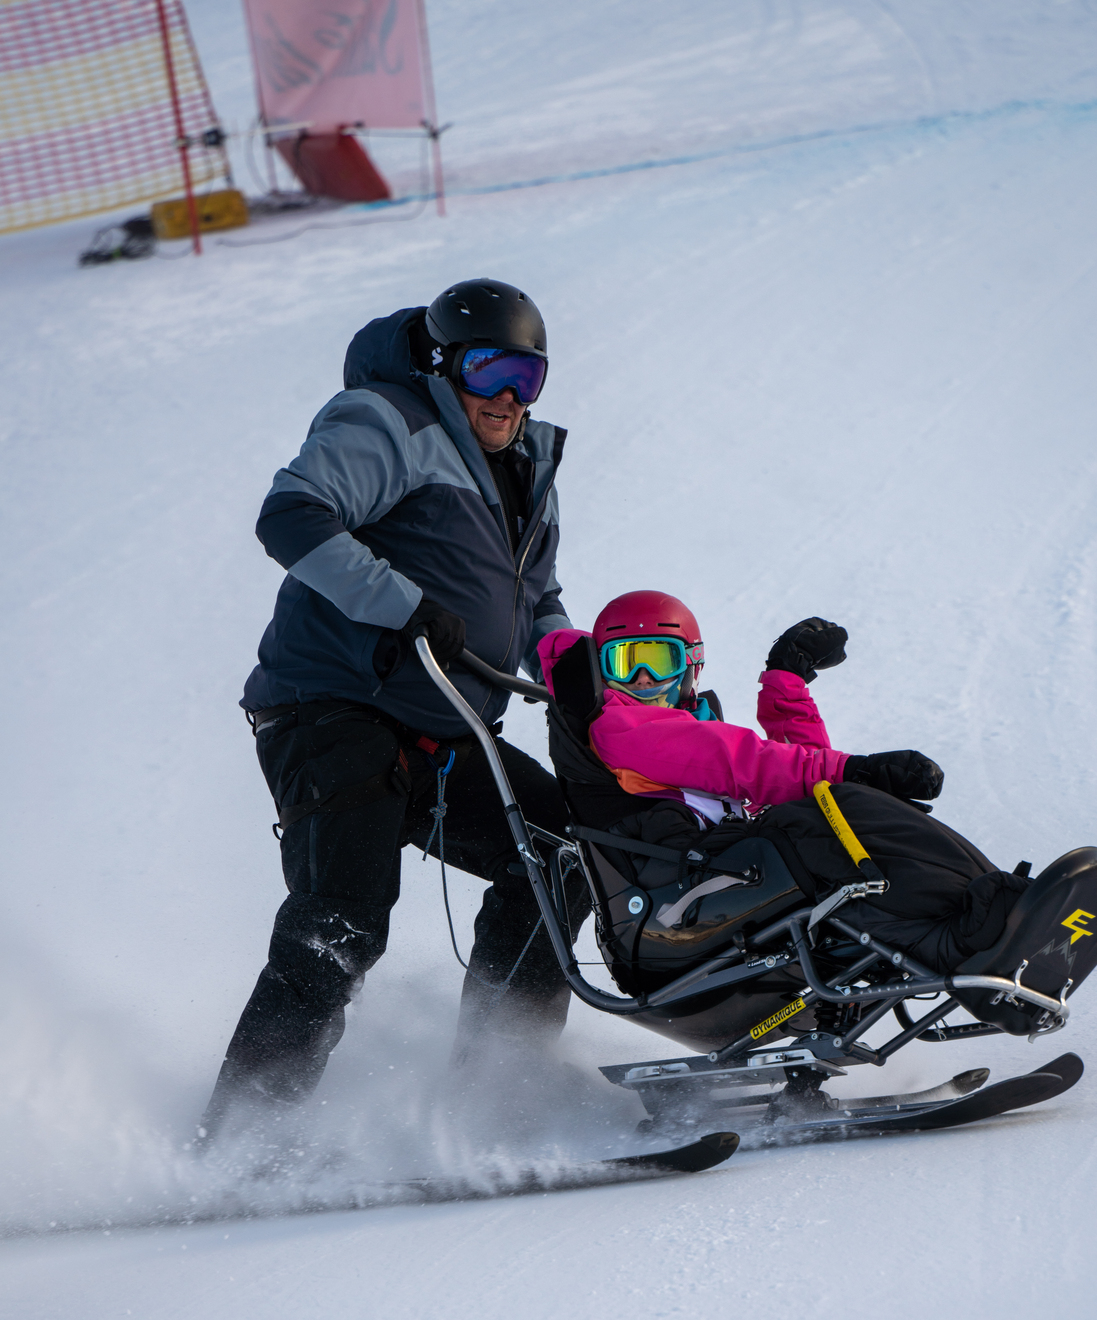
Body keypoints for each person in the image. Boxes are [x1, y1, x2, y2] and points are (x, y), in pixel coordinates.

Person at [198, 279, 590, 1143]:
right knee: (341, 918)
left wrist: (575, 670)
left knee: (562, 853)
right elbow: (291, 516)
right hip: (335, 712)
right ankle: (240, 1141)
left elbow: (539, 598)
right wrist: (404, 605)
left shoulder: (530, 465)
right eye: (488, 371)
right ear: (444, 366)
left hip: (447, 731)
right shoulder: (388, 421)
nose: (508, 397)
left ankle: (499, 1089)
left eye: (527, 376)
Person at [539, 592, 1032, 978]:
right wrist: (854, 770)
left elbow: (806, 784)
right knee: (817, 820)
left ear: (691, 664)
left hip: (704, 895)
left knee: (835, 812)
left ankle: (991, 914)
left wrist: (786, 682)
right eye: (624, 662)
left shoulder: (687, 725)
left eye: (657, 659)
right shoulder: (617, 727)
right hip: (667, 919)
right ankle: (985, 920)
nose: (643, 678)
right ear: (602, 669)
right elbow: (746, 762)